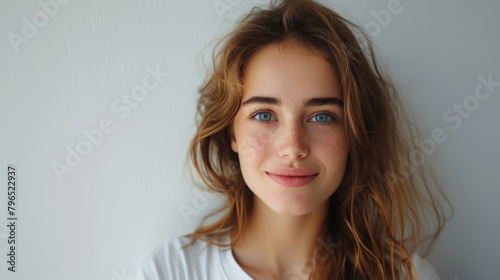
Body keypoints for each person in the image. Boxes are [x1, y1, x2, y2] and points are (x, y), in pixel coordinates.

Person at [136, 0, 451, 279]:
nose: (292, 147)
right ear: (231, 132)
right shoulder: (170, 271)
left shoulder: (406, 276)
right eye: (264, 115)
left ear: (354, 133)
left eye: (322, 116)